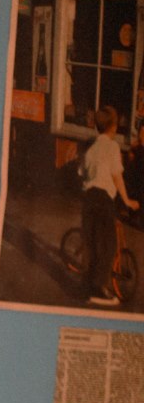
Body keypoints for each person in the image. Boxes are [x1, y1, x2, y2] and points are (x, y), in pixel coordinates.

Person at [81, 105, 138, 305]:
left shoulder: (91, 149)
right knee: (108, 245)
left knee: (92, 244)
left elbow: (82, 173)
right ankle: (98, 291)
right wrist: (127, 200)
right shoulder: (112, 147)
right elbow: (117, 176)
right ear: (113, 127)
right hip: (103, 199)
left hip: (88, 198)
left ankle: (88, 287)